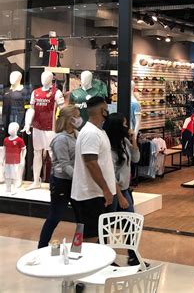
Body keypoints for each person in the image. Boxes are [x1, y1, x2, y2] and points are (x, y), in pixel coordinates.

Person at [71, 96, 116, 240]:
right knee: (89, 236)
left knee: (98, 234)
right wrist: (105, 189)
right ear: (102, 111)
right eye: (106, 109)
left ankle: (100, 257)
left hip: (96, 194)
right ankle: (81, 255)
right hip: (91, 195)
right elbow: (91, 163)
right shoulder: (90, 133)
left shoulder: (98, 131)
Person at [38, 105, 82, 248]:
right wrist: (78, 177)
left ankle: (78, 247)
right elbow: (64, 164)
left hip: (74, 181)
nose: (79, 118)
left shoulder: (77, 134)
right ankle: (42, 246)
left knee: (82, 217)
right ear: (69, 119)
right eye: (77, 116)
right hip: (61, 182)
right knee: (55, 216)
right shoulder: (61, 139)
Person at [104, 112, 142, 265]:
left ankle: (133, 255)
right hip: (115, 191)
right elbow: (110, 175)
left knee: (130, 224)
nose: (127, 126)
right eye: (124, 124)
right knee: (106, 226)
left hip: (124, 189)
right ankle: (104, 257)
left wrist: (133, 140)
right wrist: (120, 197)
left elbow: (136, 158)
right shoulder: (109, 149)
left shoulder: (124, 141)